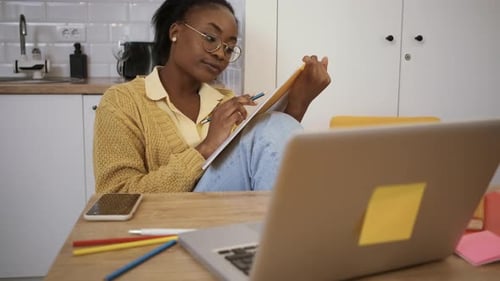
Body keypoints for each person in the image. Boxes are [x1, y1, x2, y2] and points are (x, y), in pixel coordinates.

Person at [93, 0, 331, 193]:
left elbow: (267, 160)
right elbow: (114, 197)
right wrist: (206, 148)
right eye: (210, 39)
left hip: (221, 220)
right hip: (163, 222)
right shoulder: (122, 102)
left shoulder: (226, 101)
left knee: (274, 124)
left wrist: (299, 103)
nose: (220, 54)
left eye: (229, 47)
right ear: (175, 32)